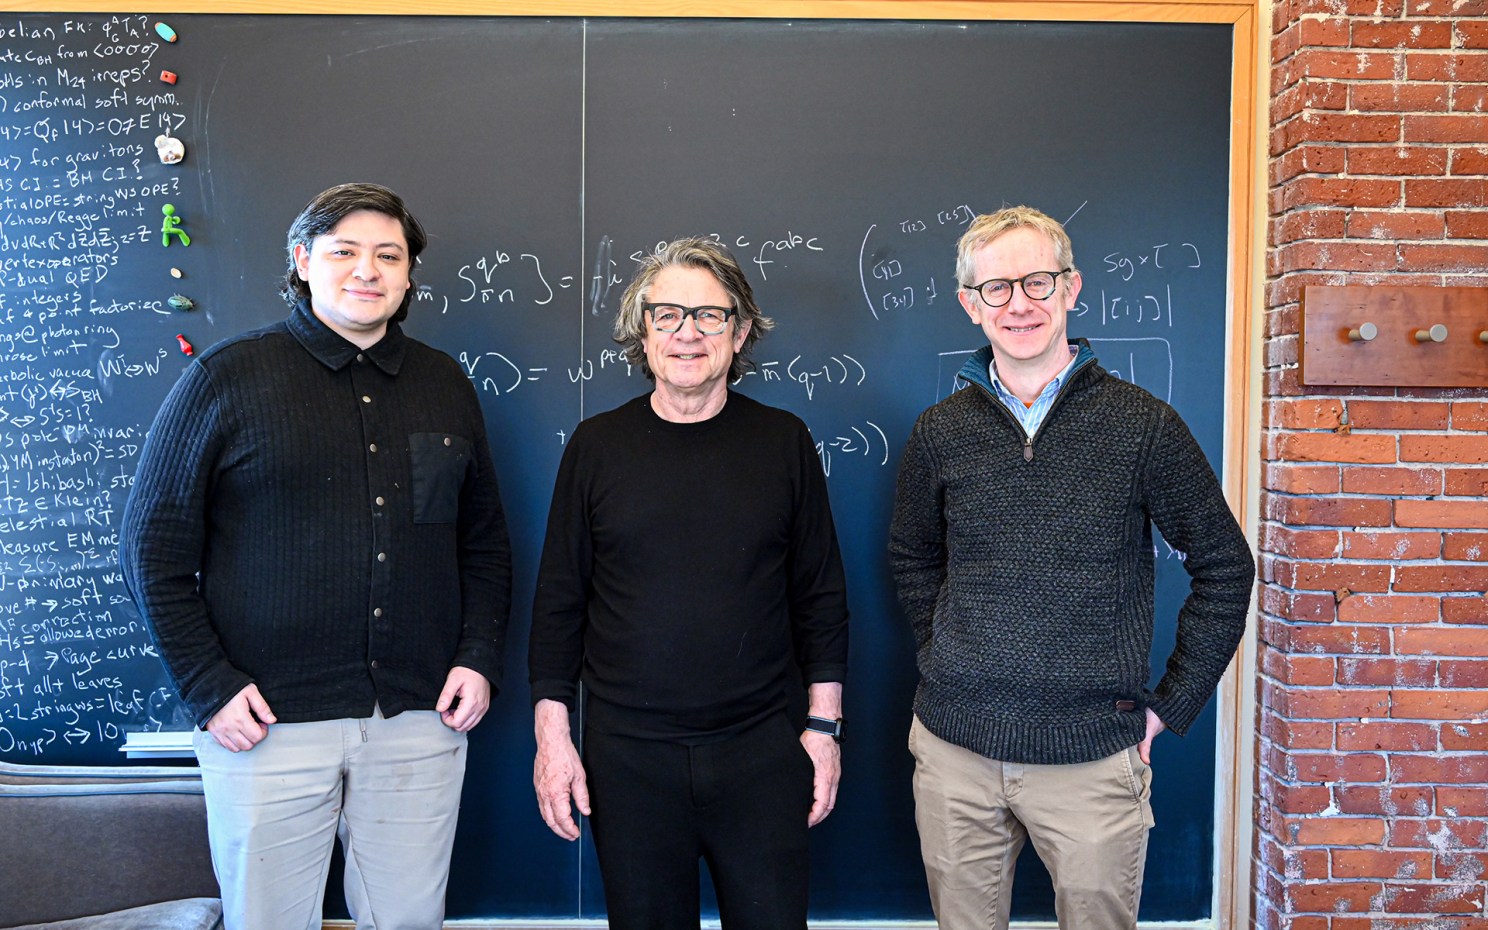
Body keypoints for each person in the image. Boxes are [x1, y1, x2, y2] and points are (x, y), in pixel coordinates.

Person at [120, 182, 511, 930]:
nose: (367, 270)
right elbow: (152, 549)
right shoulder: (226, 378)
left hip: (419, 718)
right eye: (345, 252)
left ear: (407, 276)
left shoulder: (443, 383)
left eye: (387, 256)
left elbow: (483, 539)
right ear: (303, 261)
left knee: (409, 920)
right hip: (263, 720)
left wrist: (479, 654)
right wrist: (207, 686)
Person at [888, 205, 1254, 930]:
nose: (1019, 303)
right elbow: (911, 555)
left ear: (1071, 288)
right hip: (955, 752)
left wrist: (1170, 705)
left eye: (1037, 282)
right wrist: (943, 654)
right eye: (996, 288)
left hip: (1092, 758)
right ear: (970, 304)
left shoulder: (1143, 425)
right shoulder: (940, 432)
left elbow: (1224, 566)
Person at [529, 236, 849, 930]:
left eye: (709, 316)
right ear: (641, 333)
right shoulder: (595, 447)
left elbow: (820, 598)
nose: (687, 333)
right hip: (628, 758)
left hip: (761, 750)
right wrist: (554, 741)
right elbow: (558, 604)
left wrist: (824, 729)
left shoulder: (784, 442)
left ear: (739, 333)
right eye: (668, 314)